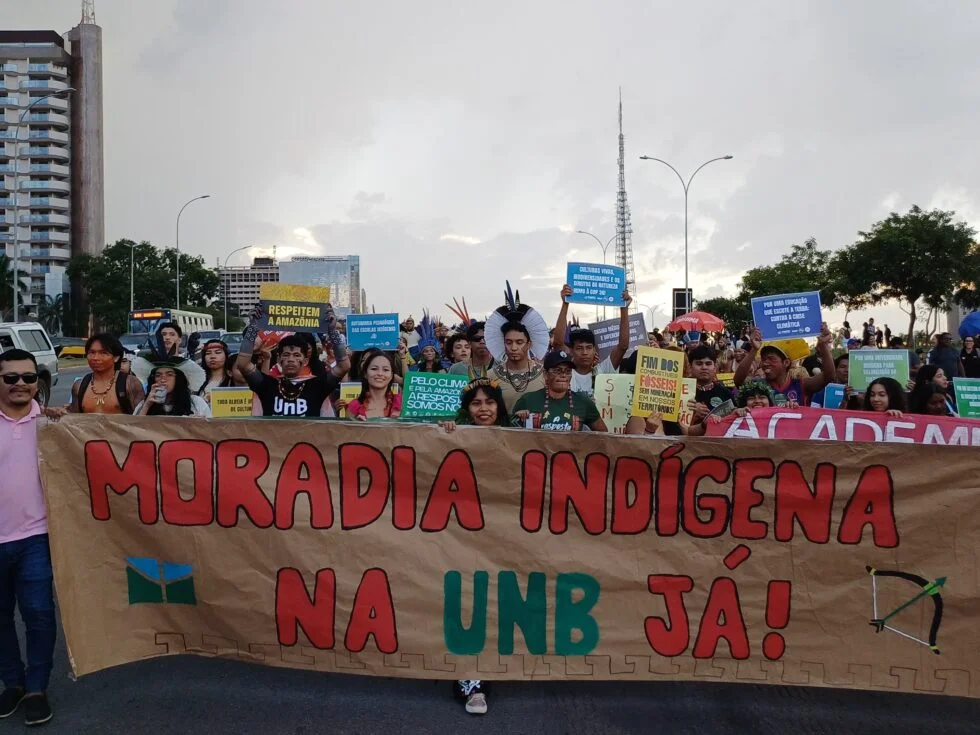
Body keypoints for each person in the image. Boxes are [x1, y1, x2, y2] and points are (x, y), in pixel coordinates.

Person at [0, 349, 57, 726]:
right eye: (10, 378)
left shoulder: (55, 425)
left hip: (36, 537)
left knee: (38, 614)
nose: (21, 384)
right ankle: (13, 684)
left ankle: (37, 688)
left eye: (29, 377)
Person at [237, 306, 351, 418]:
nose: (291, 359)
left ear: (305, 361)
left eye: (297, 355)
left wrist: (332, 331)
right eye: (286, 355)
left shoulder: (317, 386)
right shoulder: (267, 385)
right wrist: (253, 327)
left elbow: (344, 366)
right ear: (278, 359)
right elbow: (243, 363)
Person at [552, 284, 632, 398]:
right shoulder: (567, 373)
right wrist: (565, 303)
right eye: (579, 348)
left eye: (589, 347)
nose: (585, 352)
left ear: (595, 350)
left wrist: (624, 308)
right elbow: (558, 343)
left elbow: (623, 346)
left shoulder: (603, 370)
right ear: (571, 351)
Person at [733, 324, 834, 405]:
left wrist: (823, 346)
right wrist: (754, 350)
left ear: (786, 363)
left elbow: (829, 376)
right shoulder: (758, 385)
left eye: (771, 359)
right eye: (763, 359)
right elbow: (738, 381)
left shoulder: (801, 384)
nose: (765, 363)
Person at [512, 350, 607, 432]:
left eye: (568, 371)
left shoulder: (583, 402)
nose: (563, 375)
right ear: (545, 374)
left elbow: (603, 435)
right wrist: (518, 419)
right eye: (558, 371)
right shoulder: (527, 400)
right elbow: (510, 436)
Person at [70, 333, 145, 414]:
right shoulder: (79, 386)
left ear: (116, 357)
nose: (95, 358)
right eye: (92, 352)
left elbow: (141, 418)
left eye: (103, 353)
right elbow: (74, 418)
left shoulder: (130, 384)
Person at [487, 322, 545, 411]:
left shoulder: (544, 374)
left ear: (528, 344)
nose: (514, 348)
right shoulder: (490, 376)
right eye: (509, 343)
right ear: (504, 344)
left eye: (519, 342)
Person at [682, 344, 732, 430]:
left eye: (708, 364)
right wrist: (689, 411)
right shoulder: (680, 390)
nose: (704, 367)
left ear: (715, 367)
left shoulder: (725, 393)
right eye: (699, 363)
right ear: (690, 367)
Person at [344, 349, 402, 419]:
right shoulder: (354, 406)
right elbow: (345, 426)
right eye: (374, 369)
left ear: (391, 375)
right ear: (365, 374)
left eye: (385, 370)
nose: (380, 373)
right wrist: (357, 425)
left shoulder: (402, 402)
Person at [135, 365, 212, 417]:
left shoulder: (196, 402)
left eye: (169, 375)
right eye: (158, 375)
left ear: (178, 379)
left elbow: (210, 430)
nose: (163, 380)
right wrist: (147, 405)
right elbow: (133, 430)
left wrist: (198, 422)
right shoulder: (144, 404)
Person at [440, 378, 511, 432]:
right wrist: (447, 429)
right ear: (467, 408)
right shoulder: (457, 431)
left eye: (490, 402)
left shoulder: (513, 431)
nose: (483, 409)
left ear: (499, 406)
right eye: (476, 403)